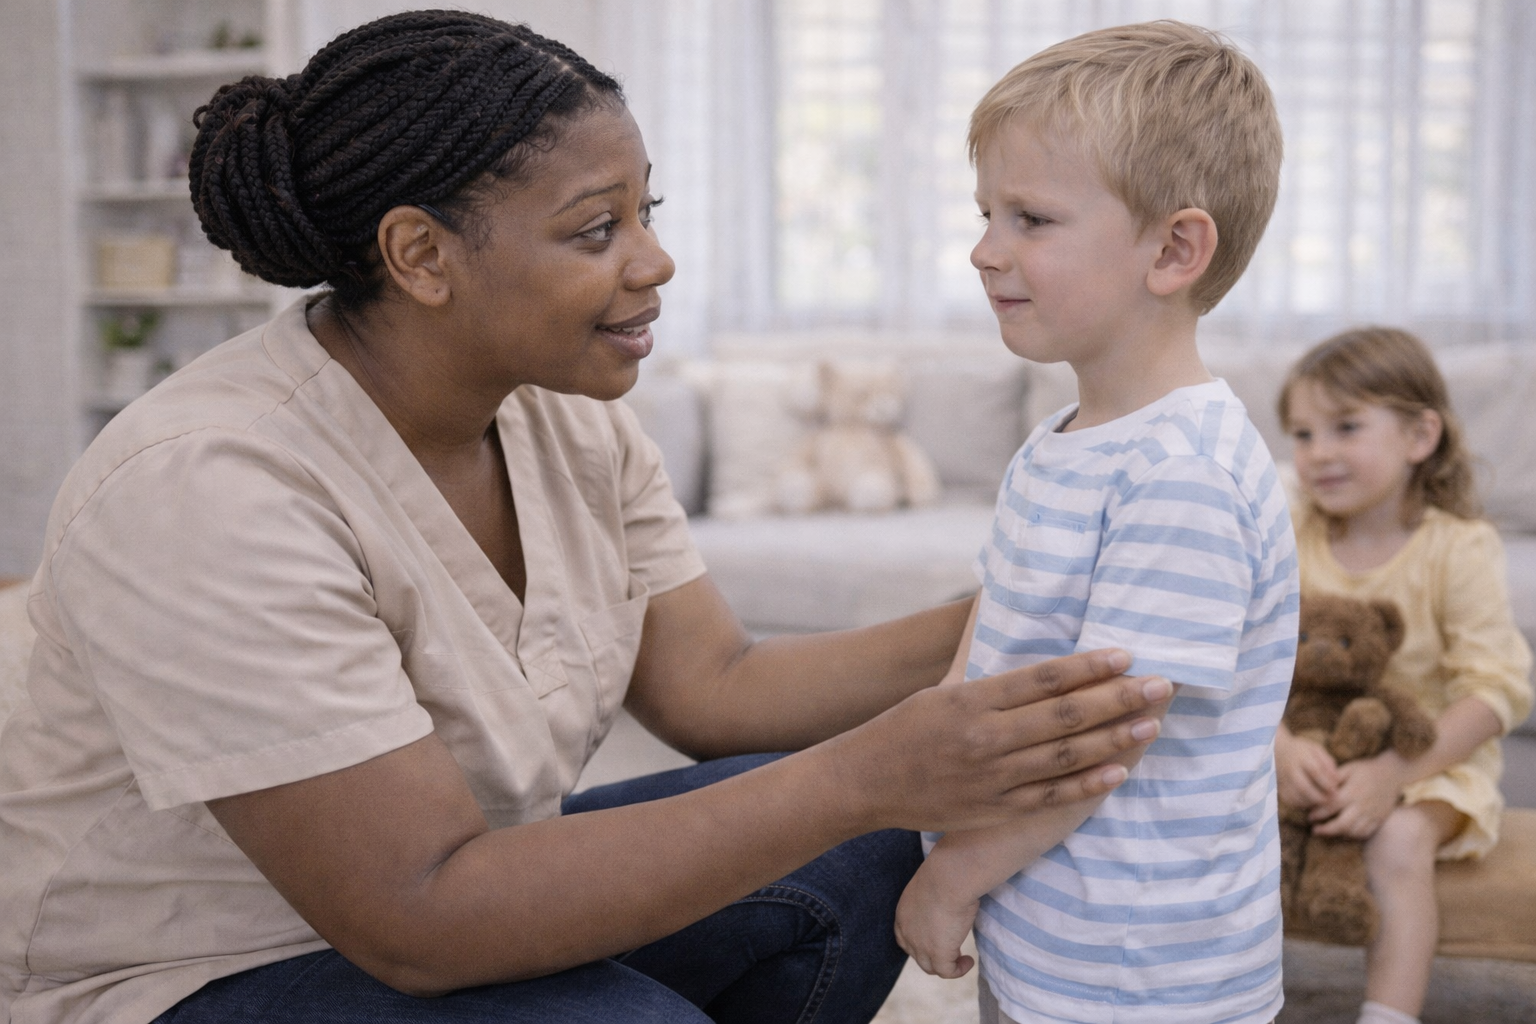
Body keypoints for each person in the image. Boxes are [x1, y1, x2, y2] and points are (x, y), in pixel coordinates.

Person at [0, 12, 1177, 1024]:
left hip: (467, 886)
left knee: (859, 859)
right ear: (419, 254)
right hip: (194, 968)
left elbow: (718, 688)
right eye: (594, 229)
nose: (656, 261)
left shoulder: (568, 418)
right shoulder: (211, 485)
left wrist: (1037, 601)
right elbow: (416, 917)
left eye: (645, 212)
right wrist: (868, 772)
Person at [891, 21, 1298, 1024]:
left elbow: (1105, 732)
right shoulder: (1067, 440)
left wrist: (954, 875)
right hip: (1050, 919)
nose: (985, 249)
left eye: (1030, 217)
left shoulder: (1181, 473)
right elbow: (1000, 637)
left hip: (1143, 963)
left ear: (1174, 249)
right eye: (986, 212)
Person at [1274, 327, 1533, 1024]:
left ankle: (1388, 1015)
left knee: (1399, 839)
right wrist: (1280, 749)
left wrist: (1391, 774)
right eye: (1301, 434)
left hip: (1426, 760)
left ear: (1420, 437)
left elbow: (1496, 687)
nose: (1317, 452)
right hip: (1300, 746)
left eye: (1345, 427)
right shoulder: (1288, 531)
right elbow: (1248, 660)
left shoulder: (1457, 546)